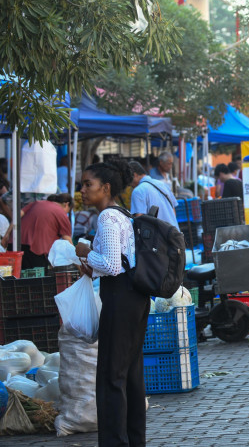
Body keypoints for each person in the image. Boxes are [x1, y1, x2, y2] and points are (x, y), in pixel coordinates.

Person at [75, 159, 148, 447]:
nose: (82, 190)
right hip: (135, 298)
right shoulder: (122, 214)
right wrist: (94, 265)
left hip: (120, 298)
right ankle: (134, 440)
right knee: (130, 374)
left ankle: (115, 442)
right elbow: (118, 261)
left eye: (87, 184)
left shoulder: (107, 217)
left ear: (105, 188)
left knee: (111, 376)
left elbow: (112, 264)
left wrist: (84, 250)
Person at [19, 194, 72, 270]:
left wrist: (7, 236)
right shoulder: (61, 212)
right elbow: (68, 241)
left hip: (17, 244)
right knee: (36, 278)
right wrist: (78, 262)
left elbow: (19, 214)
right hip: (37, 251)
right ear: (66, 204)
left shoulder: (37, 203)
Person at [129, 161, 179, 227]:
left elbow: (139, 220)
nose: (128, 184)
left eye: (128, 179)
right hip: (175, 233)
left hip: (158, 236)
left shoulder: (138, 191)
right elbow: (173, 211)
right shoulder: (163, 184)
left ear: (135, 175)